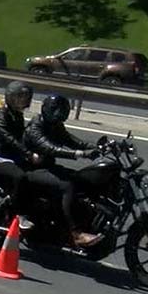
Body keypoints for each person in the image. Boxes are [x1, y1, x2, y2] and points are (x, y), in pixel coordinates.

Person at [23, 94, 101, 247]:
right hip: (31, 169)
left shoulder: (56, 126)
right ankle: (76, 233)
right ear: (46, 109)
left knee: (80, 179)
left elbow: (73, 141)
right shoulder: (36, 126)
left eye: (61, 110)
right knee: (67, 186)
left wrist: (97, 148)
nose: (58, 113)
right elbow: (49, 148)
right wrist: (79, 154)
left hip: (47, 167)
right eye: (55, 110)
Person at [0, 81, 34, 229]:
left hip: (14, 156)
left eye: (25, 97)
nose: (23, 100)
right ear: (11, 98)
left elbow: (22, 137)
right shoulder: (1, 116)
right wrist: (28, 153)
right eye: (20, 97)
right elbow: (10, 139)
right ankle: (19, 214)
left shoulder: (17, 115)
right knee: (20, 176)